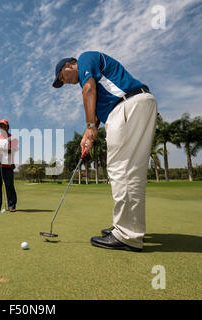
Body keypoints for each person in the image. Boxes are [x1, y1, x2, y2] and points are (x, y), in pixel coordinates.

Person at [52, 51, 157, 252]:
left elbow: (89, 89)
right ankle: (126, 227)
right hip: (131, 106)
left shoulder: (85, 59)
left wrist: (90, 125)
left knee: (121, 170)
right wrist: (89, 133)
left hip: (128, 106)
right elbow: (98, 107)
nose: (65, 82)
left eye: (62, 78)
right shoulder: (98, 81)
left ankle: (127, 235)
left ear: (69, 65)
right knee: (129, 171)